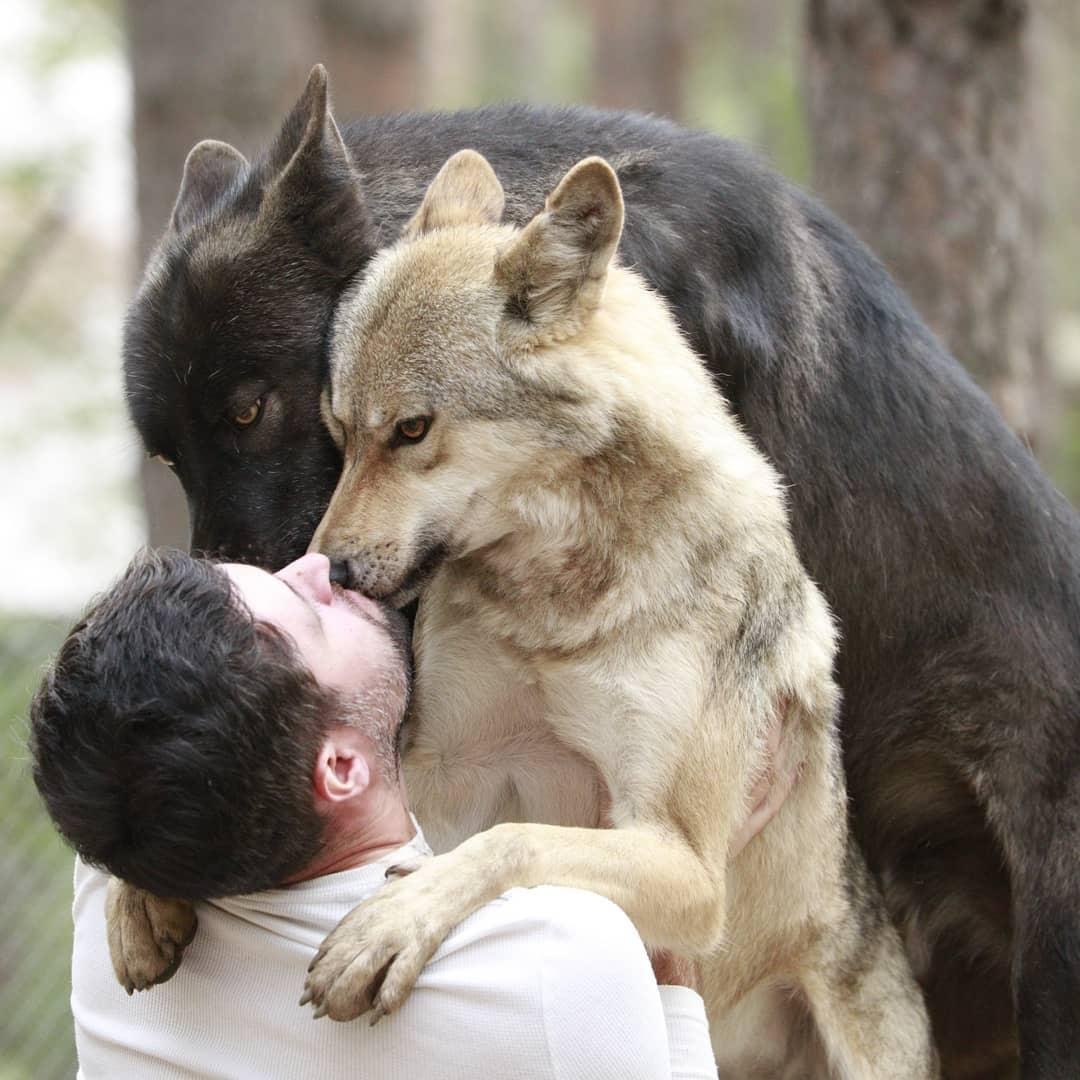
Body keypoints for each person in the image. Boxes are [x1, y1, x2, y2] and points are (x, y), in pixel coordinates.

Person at [30, 547, 717, 1079]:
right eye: (313, 614)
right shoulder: (553, 961)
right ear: (339, 768)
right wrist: (667, 957)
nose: (316, 562)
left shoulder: (113, 881)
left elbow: (140, 757)